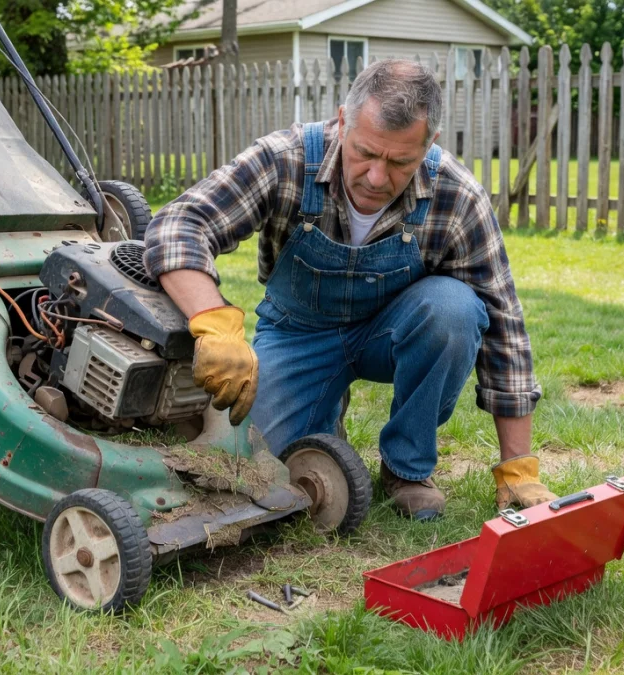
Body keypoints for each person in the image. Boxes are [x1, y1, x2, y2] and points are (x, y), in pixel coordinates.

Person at [143, 59, 556, 520]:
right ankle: (321, 413)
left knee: (455, 310)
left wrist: (518, 466)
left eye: (401, 162)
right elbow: (178, 225)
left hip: (393, 332)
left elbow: (503, 327)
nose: (377, 178)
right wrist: (214, 325)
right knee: (250, 469)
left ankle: (407, 469)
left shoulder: (456, 196)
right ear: (342, 122)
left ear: (429, 145)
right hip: (299, 332)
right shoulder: (288, 159)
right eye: (364, 153)